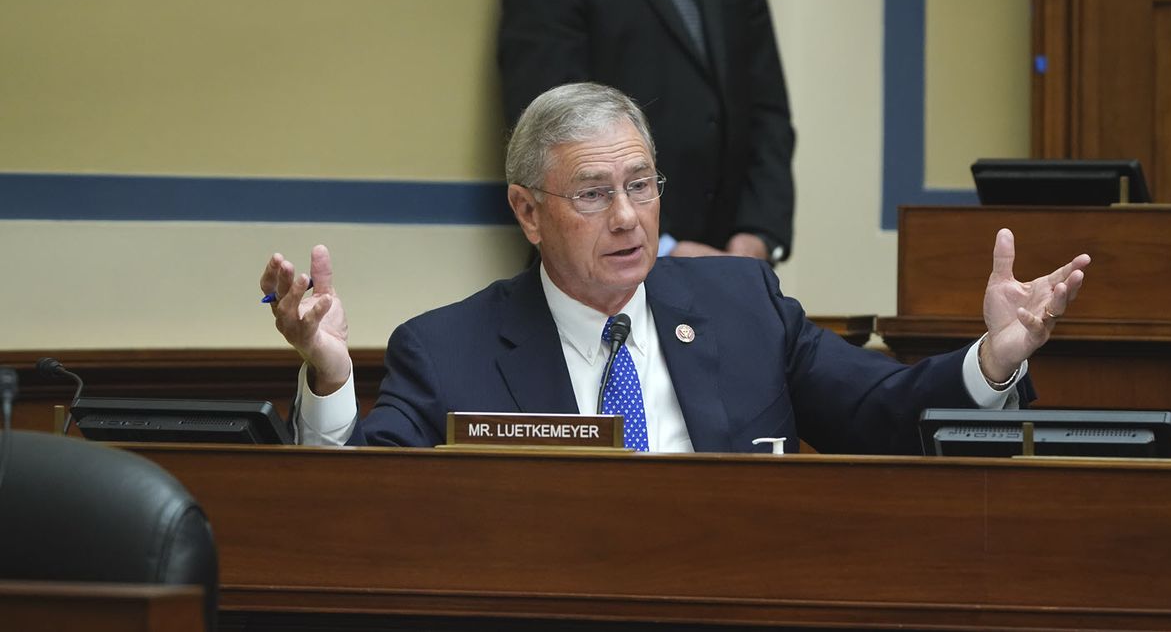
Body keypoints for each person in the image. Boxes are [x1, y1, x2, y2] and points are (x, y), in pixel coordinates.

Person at [261, 83, 1090, 453]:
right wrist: (330, 381)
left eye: (641, 185)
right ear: (526, 210)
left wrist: (993, 360)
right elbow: (368, 503)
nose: (629, 217)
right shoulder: (447, 349)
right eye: (592, 193)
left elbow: (880, 410)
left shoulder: (742, 303)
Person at [498, 0, 794, 263]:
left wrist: (758, 235)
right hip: (607, 265)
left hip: (733, 262)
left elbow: (767, 107)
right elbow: (548, 129)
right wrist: (662, 246)